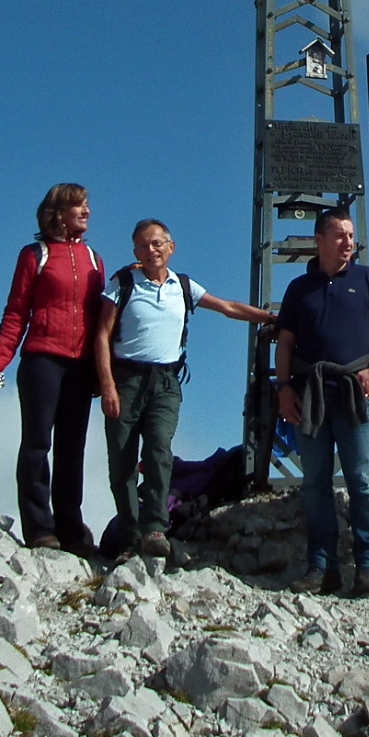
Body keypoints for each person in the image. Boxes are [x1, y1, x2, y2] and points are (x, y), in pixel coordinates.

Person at [97, 218, 275, 561]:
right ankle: (130, 537)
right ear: (135, 251)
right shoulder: (122, 284)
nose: (151, 250)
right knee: (121, 461)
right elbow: (101, 335)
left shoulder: (183, 286)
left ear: (171, 247)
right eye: (143, 246)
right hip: (126, 379)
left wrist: (268, 319)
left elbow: (226, 307)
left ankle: (154, 529)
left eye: (157, 243)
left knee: (159, 450)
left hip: (166, 381)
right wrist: (107, 384)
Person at [276, 207, 369, 597]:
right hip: (311, 393)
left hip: (355, 392)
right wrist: (283, 388)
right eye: (341, 235)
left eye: (351, 235)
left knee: (362, 481)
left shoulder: (368, 279)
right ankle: (321, 566)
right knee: (314, 483)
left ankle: (368, 565)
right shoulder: (299, 288)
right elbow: (286, 342)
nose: (349, 242)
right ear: (320, 240)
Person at [0, 183, 104, 555]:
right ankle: (39, 528)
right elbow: (17, 311)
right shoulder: (35, 254)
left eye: (87, 205)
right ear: (58, 213)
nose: (86, 211)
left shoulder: (95, 259)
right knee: (37, 444)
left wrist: (103, 372)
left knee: (73, 448)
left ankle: (71, 530)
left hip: (80, 367)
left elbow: (102, 321)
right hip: (42, 361)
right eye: (78, 205)